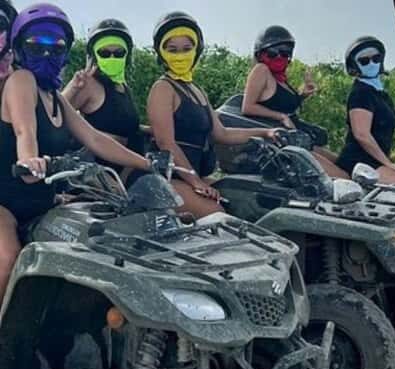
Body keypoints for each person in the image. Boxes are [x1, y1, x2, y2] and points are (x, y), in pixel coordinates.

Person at [0, 3, 169, 297]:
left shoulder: (53, 94)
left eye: (56, 46)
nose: (47, 54)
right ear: (19, 47)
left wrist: (147, 163)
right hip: (6, 203)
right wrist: (30, 160)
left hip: (44, 200)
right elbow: (24, 130)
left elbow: (94, 138)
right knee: (7, 260)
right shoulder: (21, 81)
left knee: (104, 237)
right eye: (36, 46)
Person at [146, 11, 278, 218]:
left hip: (193, 175)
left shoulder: (197, 90)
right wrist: (195, 182)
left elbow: (222, 134)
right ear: (161, 53)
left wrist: (267, 132)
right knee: (216, 214)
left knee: (246, 198)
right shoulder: (162, 88)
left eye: (186, 49)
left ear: (196, 50)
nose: (180, 55)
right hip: (166, 177)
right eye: (172, 49)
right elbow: (166, 143)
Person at [240, 25, 346, 178]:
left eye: (285, 53)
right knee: (342, 177)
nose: (279, 57)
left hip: (298, 138)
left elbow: (280, 102)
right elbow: (247, 107)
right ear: (261, 53)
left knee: (342, 163)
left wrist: (302, 94)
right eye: (273, 52)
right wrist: (281, 116)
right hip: (282, 142)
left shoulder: (280, 78)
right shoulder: (261, 70)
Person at [62, 18, 148, 186]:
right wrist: (73, 88)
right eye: (104, 53)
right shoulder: (89, 84)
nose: (112, 57)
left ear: (127, 55)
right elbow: (54, 121)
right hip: (100, 176)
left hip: (129, 170)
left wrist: (152, 130)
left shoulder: (123, 86)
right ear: (93, 55)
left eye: (118, 53)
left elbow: (124, 125)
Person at [334, 36, 395, 187]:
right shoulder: (361, 93)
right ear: (354, 66)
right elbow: (362, 135)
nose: (372, 63)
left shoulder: (380, 93)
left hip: (375, 162)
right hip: (359, 162)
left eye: (376, 58)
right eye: (364, 61)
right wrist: (389, 164)